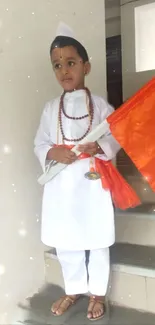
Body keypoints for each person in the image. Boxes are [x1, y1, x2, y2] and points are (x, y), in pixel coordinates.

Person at [34, 22, 120, 321]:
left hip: (92, 182)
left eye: (70, 62)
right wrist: (50, 151)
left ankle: (97, 291)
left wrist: (102, 147)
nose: (64, 70)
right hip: (60, 184)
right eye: (57, 65)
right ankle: (74, 288)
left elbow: (114, 138)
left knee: (96, 238)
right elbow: (40, 142)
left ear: (86, 66)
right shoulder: (49, 108)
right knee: (66, 239)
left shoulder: (100, 106)